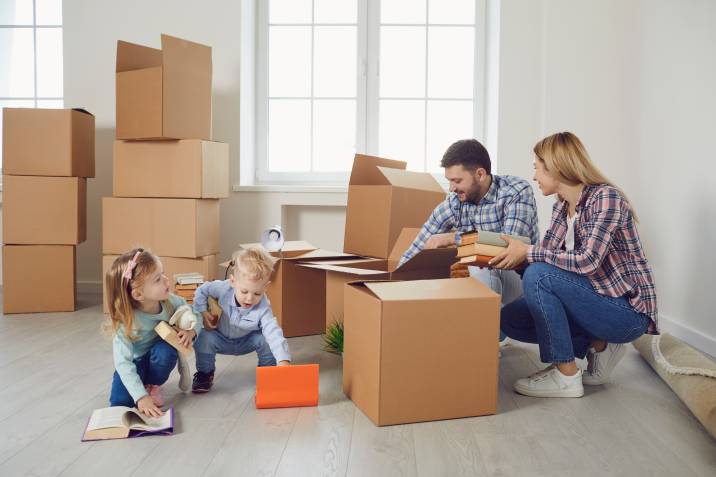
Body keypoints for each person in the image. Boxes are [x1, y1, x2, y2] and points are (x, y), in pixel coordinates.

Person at [493, 132, 658, 398]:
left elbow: (587, 262)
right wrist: (511, 257)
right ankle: (599, 345)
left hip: (626, 312)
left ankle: (566, 375)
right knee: (510, 319)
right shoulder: (562, 208)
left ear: (556, 167)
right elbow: (547, 263)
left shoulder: (606, 198)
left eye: (536, 168)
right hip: (595, 301)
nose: (534, 176)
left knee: (539, 273)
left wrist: (529, 253)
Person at [400, 139, 540, 340]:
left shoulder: (516, 191)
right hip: (488, 284)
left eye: (457, 181)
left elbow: (509, 247)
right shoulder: (455, 202)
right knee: (459, 265)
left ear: (480, 174)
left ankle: (482, 344)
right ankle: (482, 336)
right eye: (449, 181)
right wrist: (393, 281)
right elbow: (420, 244)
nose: (451, 188)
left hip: (521, 278)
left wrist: (452, 238)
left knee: (476, 263)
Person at [105, 248, 201, 416]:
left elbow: (195, 312)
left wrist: (191, 331)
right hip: (134, 363)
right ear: (138, 294)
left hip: (157, 357)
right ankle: (142, 389)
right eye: (158, 279)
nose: (166, 280)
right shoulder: (126, 321)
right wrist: (140, 397)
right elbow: (123, 363)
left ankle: (152, 384)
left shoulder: (170, 301)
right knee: (119, 404)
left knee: (166, 351)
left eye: (163, 274)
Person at [191, 247, 291, 393]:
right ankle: (205, 374)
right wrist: (202, 310)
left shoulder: (263, 307)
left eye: (257, 293)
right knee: (203, 337)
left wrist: (283, 360)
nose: (249, 298)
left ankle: (268, 374)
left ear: (265, 288)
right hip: (220, 338)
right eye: (244, 291)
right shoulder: (223, 288)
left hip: (247, 341)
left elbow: (273, 331)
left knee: (266, 339)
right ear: (233, 281)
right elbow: (202, 290)